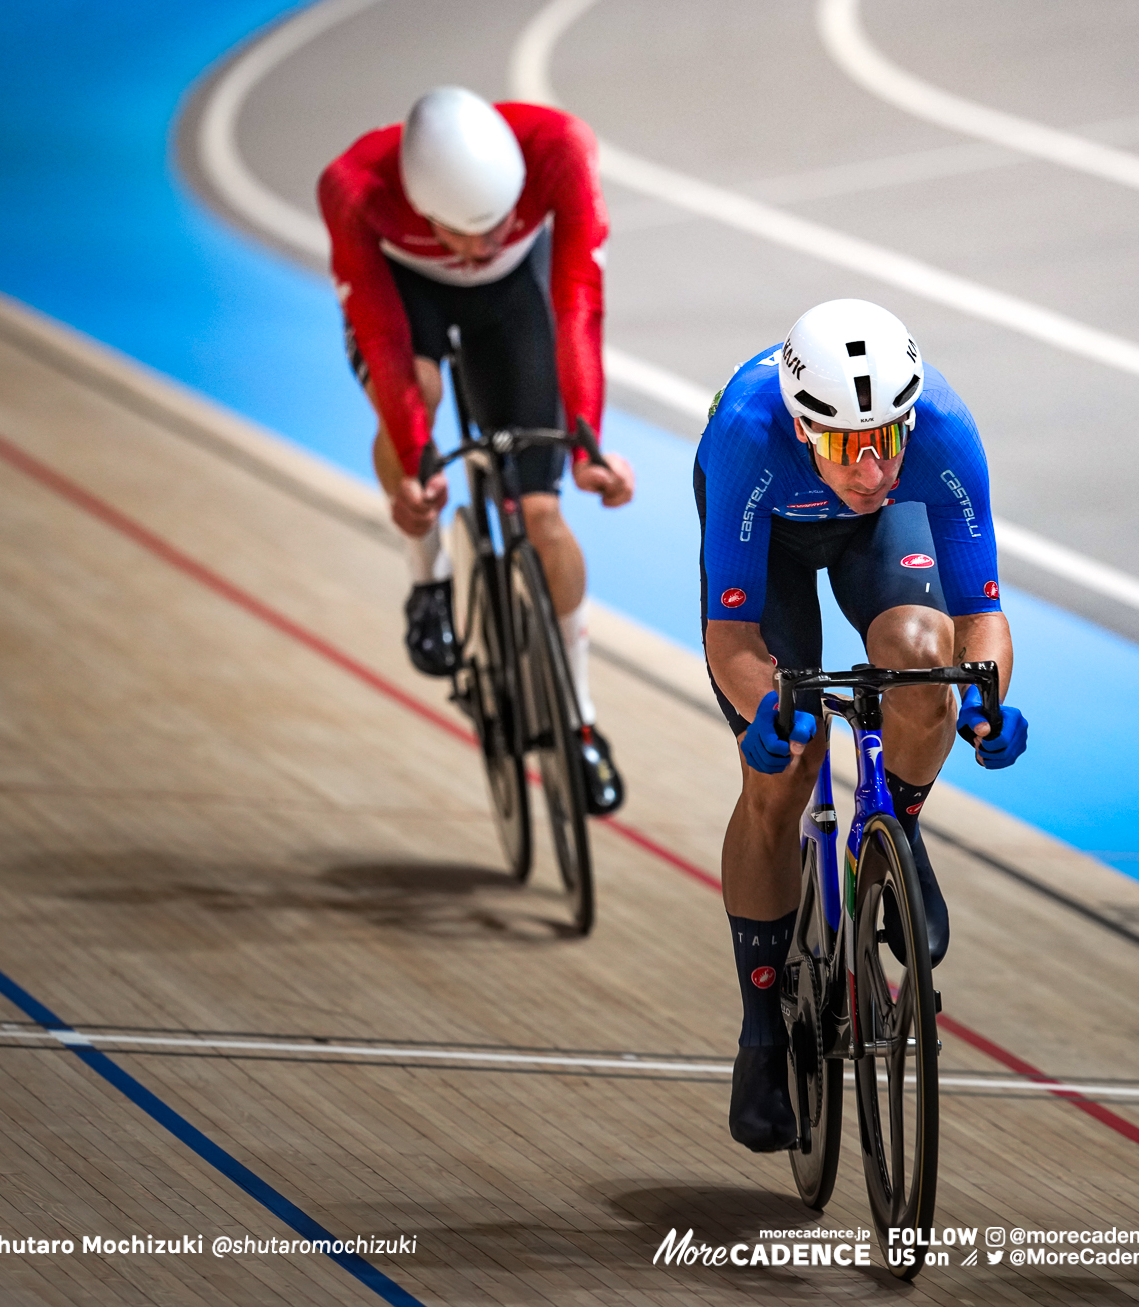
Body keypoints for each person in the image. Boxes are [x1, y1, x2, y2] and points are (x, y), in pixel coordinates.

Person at [696, 298, 1029, 1151]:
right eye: (848, 443)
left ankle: (899, 827)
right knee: (786, 764)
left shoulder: (942, 430)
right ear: (805, 426)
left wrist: (987, 695)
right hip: (769, 540)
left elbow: (981, 613)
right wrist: (759, 709)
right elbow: (732, 633)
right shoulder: (745, 431)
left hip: (872, 543)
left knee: (926, 658)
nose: (875, 464)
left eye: (889, 435)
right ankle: (762, 1029)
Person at [319, 85, 634, 813]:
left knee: (544, 514)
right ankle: (427, 581)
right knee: (420, 394)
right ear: (421, 207)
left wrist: (587, 440)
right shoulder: (355, 189)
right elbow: (382, 337)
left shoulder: (559, 149)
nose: (486, 241)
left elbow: (579, 301)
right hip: (407, 298)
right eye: (469, 230)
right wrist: (417, 458)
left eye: (499, 220)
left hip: (512, 300)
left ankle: (580, 722)